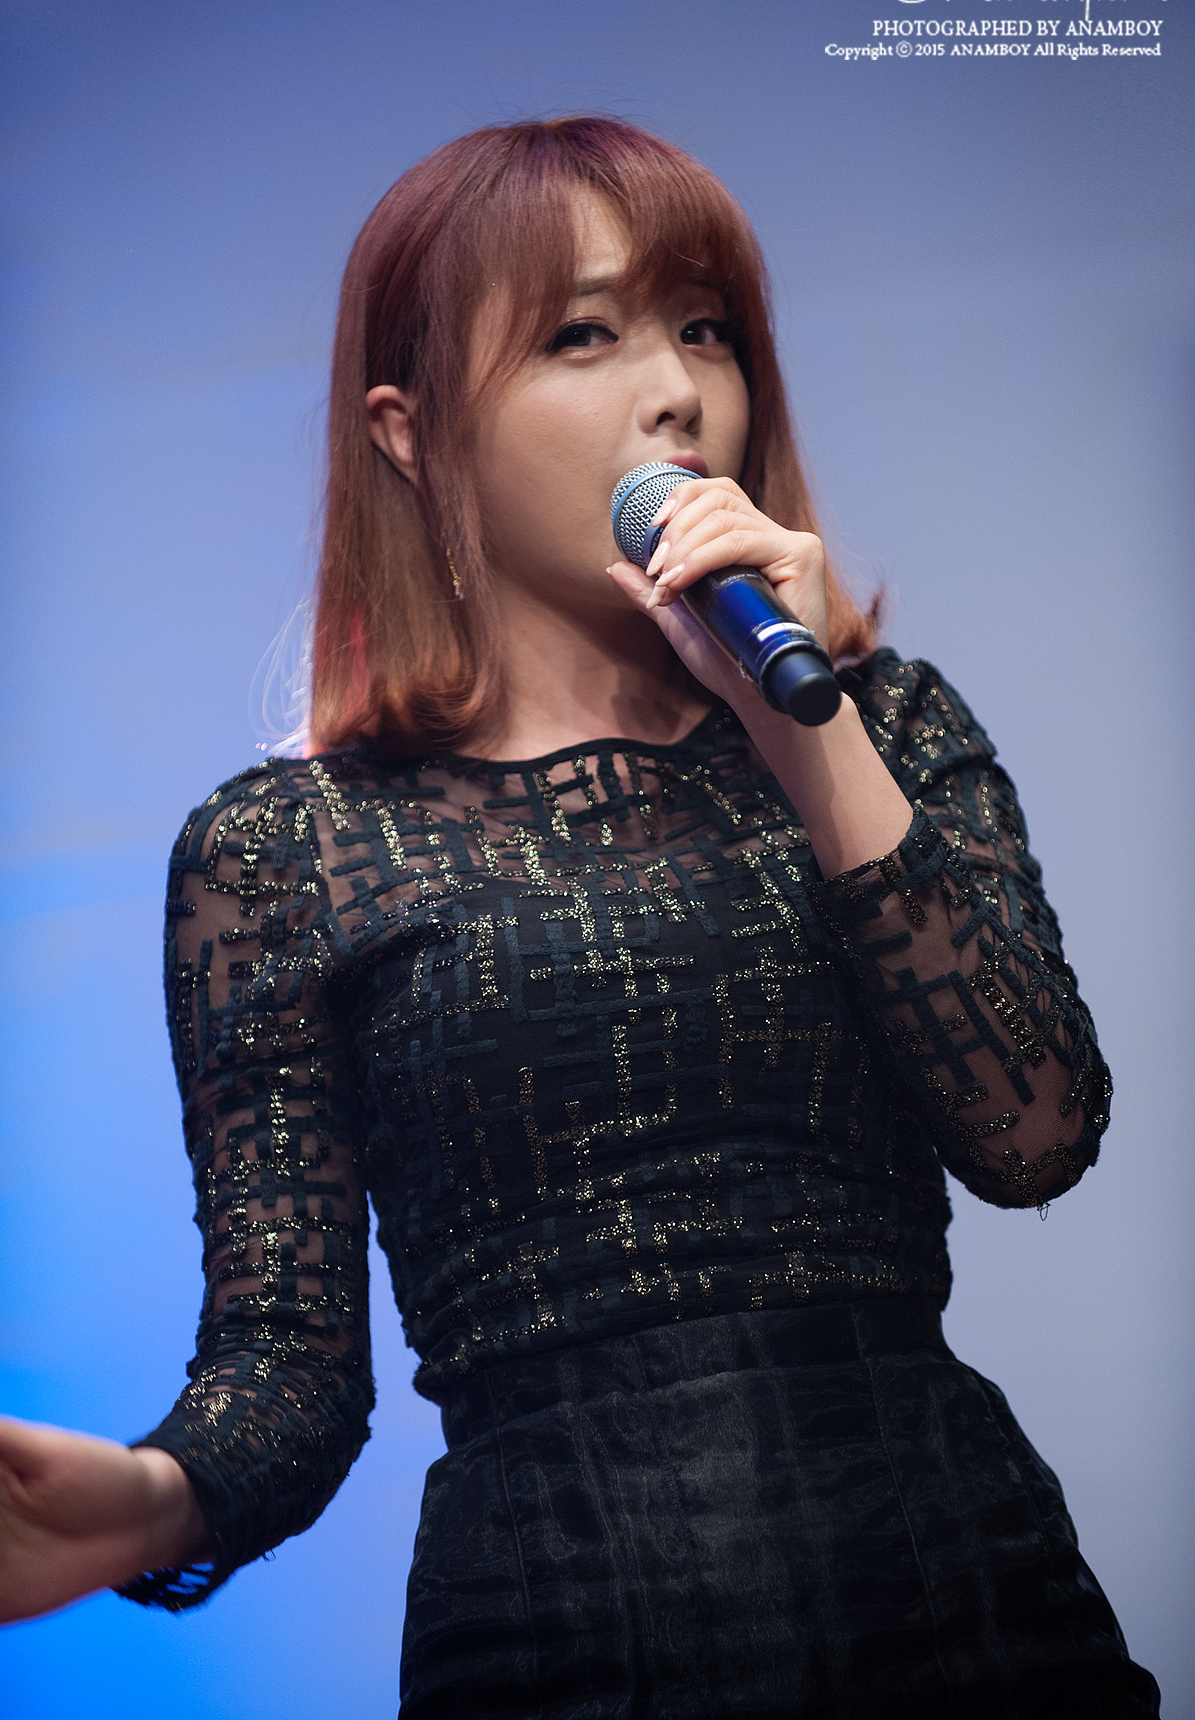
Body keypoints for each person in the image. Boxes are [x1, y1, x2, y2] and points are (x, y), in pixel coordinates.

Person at [0, 117, 1160, 1717]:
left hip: (959, 1592)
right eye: (583, 335)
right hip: (555, 1632)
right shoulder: (285, 853)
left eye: (706, 328)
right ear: (412, 432)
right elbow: (289, 1371)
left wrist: (805, 729)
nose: (676, 392)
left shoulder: (884, 727)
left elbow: (1035, 1128)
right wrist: (143, 1503)